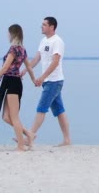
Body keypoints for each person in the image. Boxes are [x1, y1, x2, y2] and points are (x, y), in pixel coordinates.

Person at [0, 24, 36, 151]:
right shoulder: (22, 50)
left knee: (14, 117)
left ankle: (21, 146)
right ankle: (29, 134)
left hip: (12, 82)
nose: (7, 35)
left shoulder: (14, 49)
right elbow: (28, 67)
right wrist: (34, 80)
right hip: (13, 82)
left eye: (8, 33)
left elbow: (5, 68)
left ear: (13, 34)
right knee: (6, 117)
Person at [21, 16, 71, 146]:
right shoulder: (43, 41)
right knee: (59, 110)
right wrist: (26, 70)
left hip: (54, 81)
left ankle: (30, 136)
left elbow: (55, 62)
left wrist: (42, 77)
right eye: (42, 24)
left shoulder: (57, 41)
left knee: (41, 108)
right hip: (48, 81)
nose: (41, 26)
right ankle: (67, 140)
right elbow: (37, 58)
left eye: (44, 24)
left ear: (52, 27)